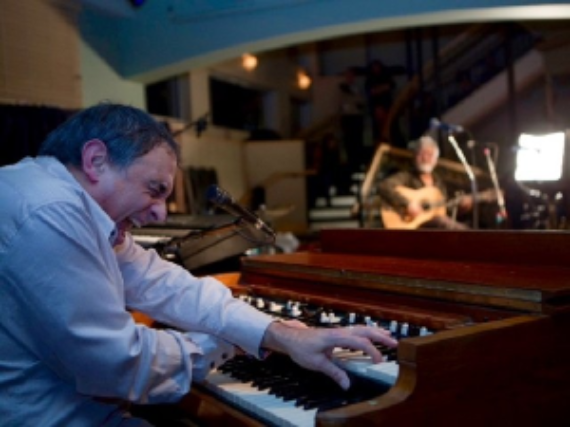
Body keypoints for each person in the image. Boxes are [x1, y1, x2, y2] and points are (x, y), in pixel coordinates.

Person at [0, 103, 397, 426]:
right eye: (155, 191)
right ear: (96, 160)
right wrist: (231, 341)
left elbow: (165, 283)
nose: (159, 214)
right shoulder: (49, 212)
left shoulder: (66, 203)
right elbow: (119, 362)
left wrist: (276, 331)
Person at [377, 135, 472, 230]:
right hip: (412, 226)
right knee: (448, 224)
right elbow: (384, 186)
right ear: (415, 156)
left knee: (465, 226)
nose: (425, 158)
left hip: (434, 228)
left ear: (435, 160)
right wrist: (407, 204)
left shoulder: (439, 183)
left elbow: (443, 209)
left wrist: (459, 208)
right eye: (422, 154)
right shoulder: (407, 176)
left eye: (429, 155)